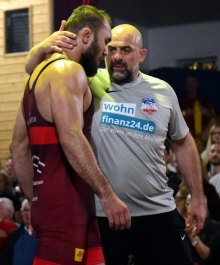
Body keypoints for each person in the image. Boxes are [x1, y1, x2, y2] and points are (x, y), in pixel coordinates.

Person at [25, 23, 206, 265]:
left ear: (141, 55)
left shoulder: (163, 92)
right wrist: (41, 48)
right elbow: (34, 71)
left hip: (157, 211)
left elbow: (184, 144)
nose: (117, 56)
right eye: (112, 49)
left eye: (126, 50)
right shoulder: (87, 79)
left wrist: (197, 197)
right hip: (104, 215)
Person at [9, 6, 131, 265]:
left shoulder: (35, 78)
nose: (106, 52)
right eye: (105, 42)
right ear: (86, 36)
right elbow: (72, 137)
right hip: (68, 211)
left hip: (63, 209)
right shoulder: (68, 72)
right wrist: (108, 196)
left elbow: (18, 148)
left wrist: (36, 201)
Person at [185, 194, 220, 265]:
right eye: (188, 204)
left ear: (205, 207)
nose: (191, 208)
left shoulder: (214, 227)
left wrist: (191, 235)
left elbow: (206, 255)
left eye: (195, 205)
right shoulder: (181, 225)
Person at [0, 199, 37, 265]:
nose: (28, 213)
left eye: (32, 210)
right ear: (21, 213)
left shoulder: (50, 235)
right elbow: (6, 260)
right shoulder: (15, 234)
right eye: (25, 210)